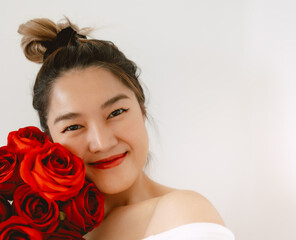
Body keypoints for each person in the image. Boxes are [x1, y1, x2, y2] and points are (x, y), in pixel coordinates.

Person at [18, 18, 235, 240]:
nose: (102, 142)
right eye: (73, 126)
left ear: (142, 110)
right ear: (50, 140)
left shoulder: (183, 213)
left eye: (116, 113)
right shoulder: (42, 229)